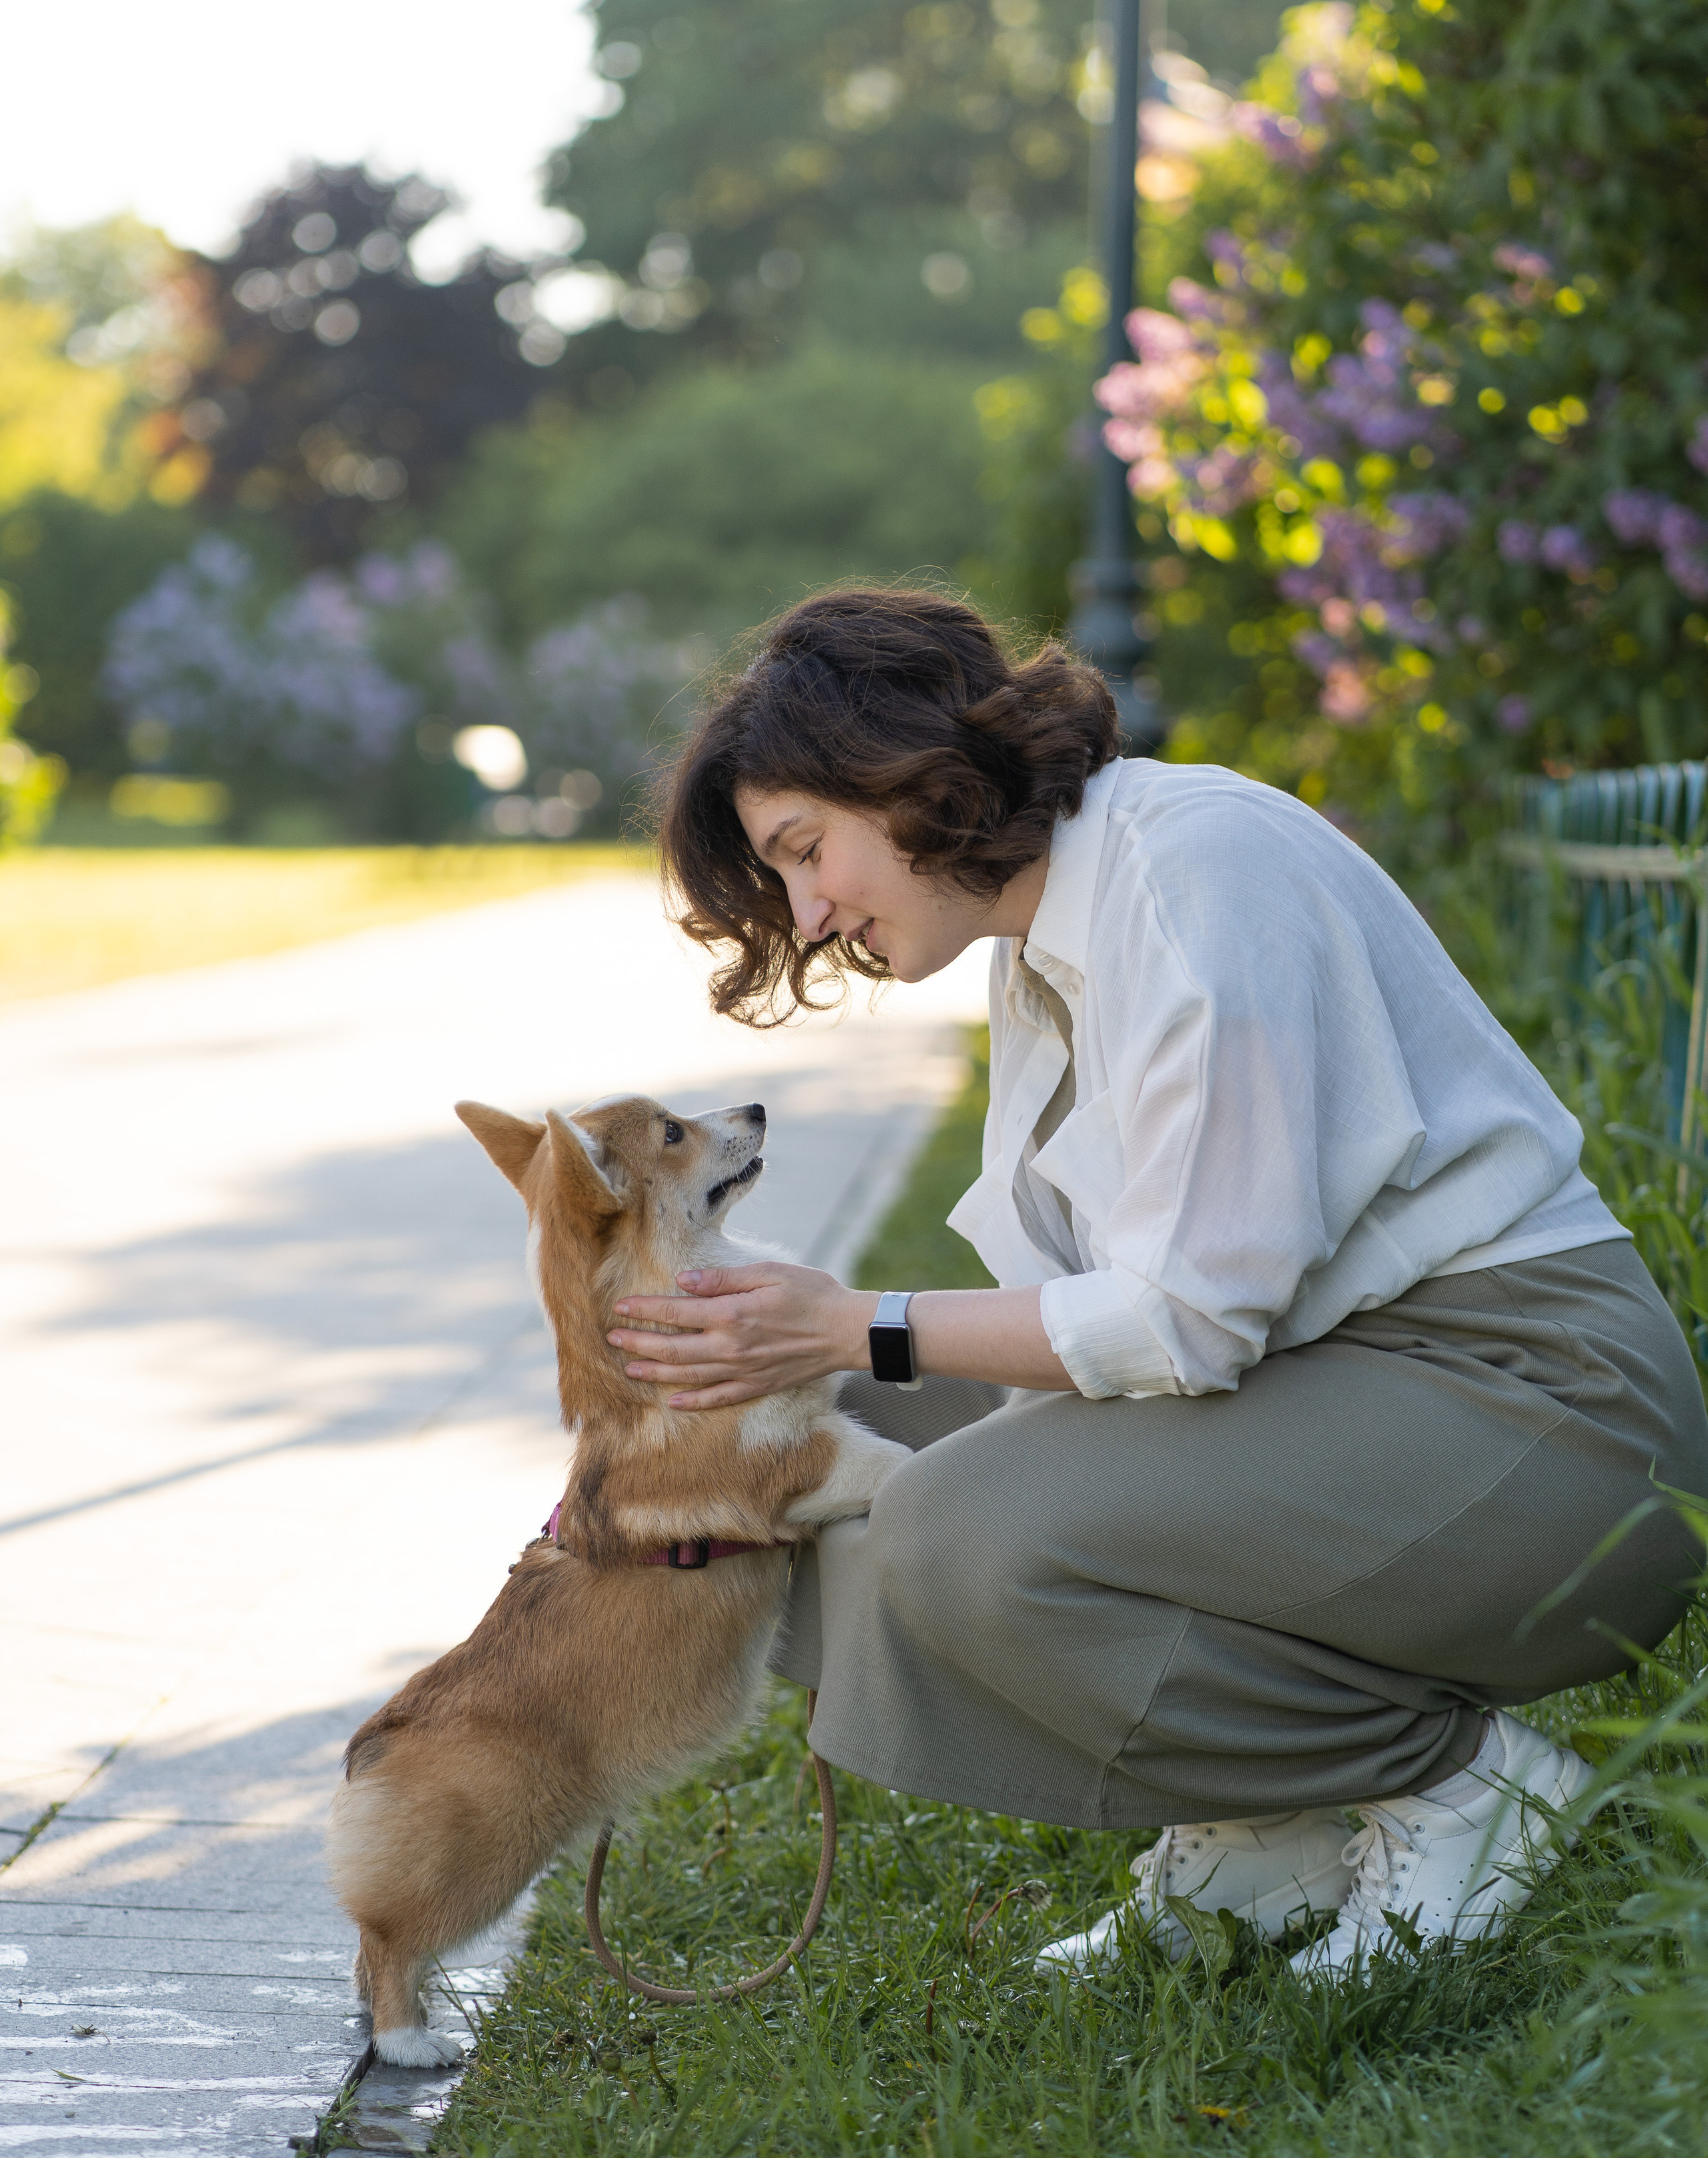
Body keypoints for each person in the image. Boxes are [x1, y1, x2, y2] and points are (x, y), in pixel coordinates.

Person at [609, 587, 1707, 1980]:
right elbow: (1104, 1316)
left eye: (805, 850)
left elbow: (1186, 1319)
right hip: (1374, 1388)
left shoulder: (1192, 872)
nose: (807, 911)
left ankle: (1459, 1786)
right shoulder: (1047, 943)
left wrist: (860, 1323)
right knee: (836, 1438)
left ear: (908, 770)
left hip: (1548, 1421)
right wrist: (806, 1357)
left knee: (955, 1519)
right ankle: (1269, 1817)